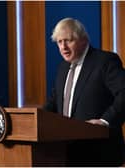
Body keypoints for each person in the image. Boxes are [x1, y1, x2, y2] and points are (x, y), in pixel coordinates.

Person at [44, 17, 125, 166]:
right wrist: (33, 120)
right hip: (66, 154)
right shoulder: (63, 68)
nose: (63, 47)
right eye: (59, 42)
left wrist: (105, 121)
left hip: (100, 154)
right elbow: (53, 104)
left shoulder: (105, 61)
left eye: (68, 40)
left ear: (83, 40)